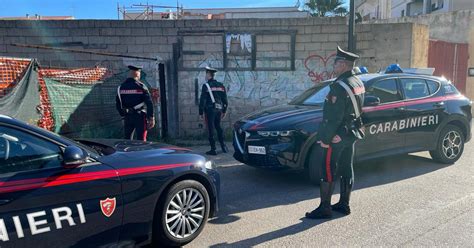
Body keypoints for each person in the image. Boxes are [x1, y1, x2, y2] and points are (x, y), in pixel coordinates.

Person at [305, 46, 365, 219]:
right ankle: (344, 204)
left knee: (328, 169)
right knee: (347, 167)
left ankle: (324, 208)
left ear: (344, 65)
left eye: (336, 62)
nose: (334, 65)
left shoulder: (339, 87)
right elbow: (357, 110)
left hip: (337, 136)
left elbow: (333, 117)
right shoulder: (358, 82)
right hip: (351, 133)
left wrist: (326, 138)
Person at [115, 65, 155, 141]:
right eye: (139, 72)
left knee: (127, 140)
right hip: (140, 116)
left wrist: (123, 115)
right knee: (141, 140)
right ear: (137, 74)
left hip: (127, 116)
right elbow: (149, 103)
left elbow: (118, 103)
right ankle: (141, 152)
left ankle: (128, 152)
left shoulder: (121, 87)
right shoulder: (141, 86)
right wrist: (151, 118)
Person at [199, 66, 228, 155]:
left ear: (209, 74)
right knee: (218, 127)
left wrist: (201, 112)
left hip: (210, 110)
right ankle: (223, 146)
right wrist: (224, 111)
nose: (205, 76)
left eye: (206, 74)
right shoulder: (221, 85)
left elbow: (203, 100)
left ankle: (213, 149)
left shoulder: (206, 86)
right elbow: (225, 100)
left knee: (211, 128)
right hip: (219, 109)